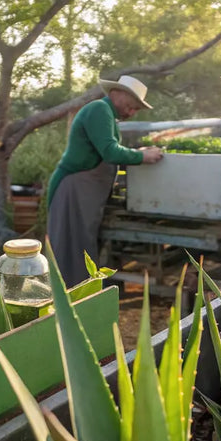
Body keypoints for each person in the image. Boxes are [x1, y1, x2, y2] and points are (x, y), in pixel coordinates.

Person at [47, 75, 163, 286]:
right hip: (73, 190)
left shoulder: (106, 114)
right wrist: (142, 156)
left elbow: (107, 148)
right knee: (72, 252)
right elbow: (110, 152)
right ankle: (70, 304)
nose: (132, 112)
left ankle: (80, 299)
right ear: (116, 93)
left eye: (136, 109)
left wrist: (137, 151)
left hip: (83, 194)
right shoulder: (99, 109)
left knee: (79, 250)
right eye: (131, 106)